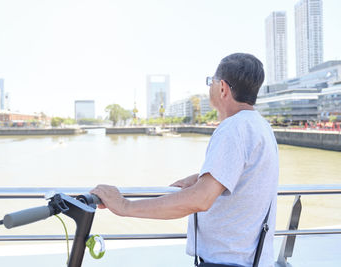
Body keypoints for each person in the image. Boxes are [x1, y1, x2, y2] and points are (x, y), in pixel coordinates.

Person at [91, 53, 279, 267]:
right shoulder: (260, 126)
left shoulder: (233, 128)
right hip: (250, 260)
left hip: (229, 262)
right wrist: (201, 177)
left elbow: (200, 199)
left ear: (223, 88)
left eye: (211, 81)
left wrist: (124, 205)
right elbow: (248, 175)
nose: (210, 87)